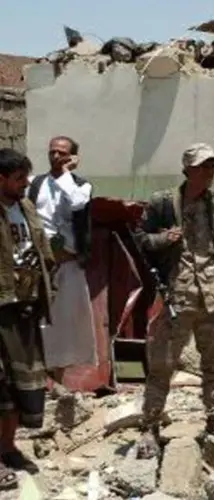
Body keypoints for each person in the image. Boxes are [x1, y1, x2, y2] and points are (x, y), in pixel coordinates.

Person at [133, 143, 214, 458]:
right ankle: (150, 426)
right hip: (178, 296)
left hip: (213, 296)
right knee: (163, 364)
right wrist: (164, 239)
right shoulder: (163, 202)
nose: (209, 171)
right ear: (187, 169)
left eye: (212, 166)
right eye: (203, 166)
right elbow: (140, 238)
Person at [0, 149, 56, 488]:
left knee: (20, 385)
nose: (24, 185)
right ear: (1, 179)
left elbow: (42, 250)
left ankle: (8, 447)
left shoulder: (27, 208)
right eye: (19, 179)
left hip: (26, 307)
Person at [27, 136, 96, 390]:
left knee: (68, 324)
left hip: (69, 264)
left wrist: (66, 174)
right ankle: (44, 382)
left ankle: (60, 381)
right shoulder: (34, 184)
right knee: (42, 323)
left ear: (72, 157)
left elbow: (78, 204)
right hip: (40, 265)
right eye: (52, 152)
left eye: (62, 153)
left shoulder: (81, 185)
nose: (55, 157)